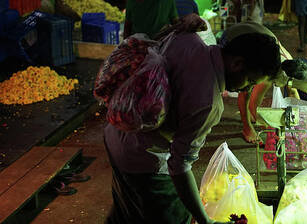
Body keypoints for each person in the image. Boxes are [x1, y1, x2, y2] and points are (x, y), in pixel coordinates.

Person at [105, 16, 281, 224]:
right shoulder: (209, 102)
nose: (248, 89)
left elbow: (157, 43)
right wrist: (205, 220)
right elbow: (179, 166)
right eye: (251, 81)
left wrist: (179, 26)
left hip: (115, 134)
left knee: (127, 211)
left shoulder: (188, 38)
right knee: (174, 216)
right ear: (237, 63)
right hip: (142, 160)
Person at [218, 22, 293, 144]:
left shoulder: (287, 63)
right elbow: (250, 98)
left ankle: (252, 119)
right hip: (234, 36)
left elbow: (290, 91)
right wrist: (264, 127)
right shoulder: (266, 65)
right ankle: (246, 128)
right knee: (242, 85)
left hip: (250, 33)